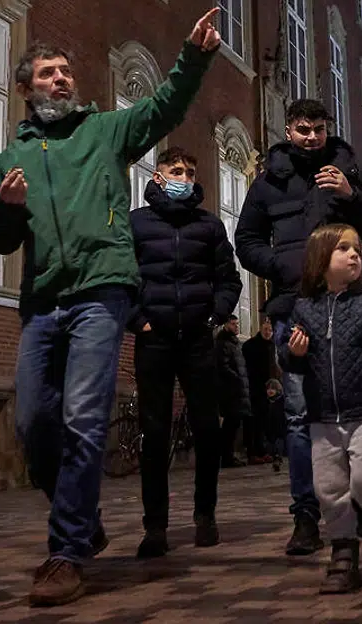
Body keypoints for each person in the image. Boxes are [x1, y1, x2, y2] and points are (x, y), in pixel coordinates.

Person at [0, 10, 220, 606]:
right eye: (48, 73)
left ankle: (65, 552)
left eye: (66, 72)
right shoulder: (13, 156)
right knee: (34, 423)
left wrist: (193, 57)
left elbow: (163, 108)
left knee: (84, 419)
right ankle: (83, 520)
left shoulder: (105, 131)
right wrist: (9, 208)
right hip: (42, 300)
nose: (61, 79)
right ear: (25, 86)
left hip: (102, 290)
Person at [233, 99, 362, 555]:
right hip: (293, 306)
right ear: (289, 129)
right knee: (299, 414)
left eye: (319, 129)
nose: (311, 137)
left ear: (328, 129)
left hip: (348, 308)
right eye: (303, 129)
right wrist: (285, 268)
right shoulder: (269, 181)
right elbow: (245, 240)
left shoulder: (347, 169)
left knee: (355, 406)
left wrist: (351, 195)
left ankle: (360, 504)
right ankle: (306, 514)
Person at [284, 224, 362, 594]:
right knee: (329, 490)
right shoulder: (304, 310)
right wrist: (293, 355)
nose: (355, 255)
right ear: (320, 260)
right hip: (322, 418)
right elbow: (293, 363)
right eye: (343, 249)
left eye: (357, 249)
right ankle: (343, 556)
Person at [127, 143, 242, 557]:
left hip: (197, 339)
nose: (184, 177)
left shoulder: (209, 227)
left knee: (207, 430)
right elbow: (122, 277)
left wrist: (214, 317)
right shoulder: (136, 224)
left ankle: (204, 515)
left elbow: (230, 280)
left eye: (190, 172)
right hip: (153, 338)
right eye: (176, 170)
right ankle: (155, 526)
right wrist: (138, 319)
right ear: (158, 176)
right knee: (154, 433)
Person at [215, 316, 252, 469]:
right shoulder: (223, 343)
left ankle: (229, 456)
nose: (237, 327)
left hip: (237, 390)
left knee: (234, 424)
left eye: (237, 323)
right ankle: (226, 457)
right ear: (225, 325)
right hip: (230, 391)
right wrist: (236, 379)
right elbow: (222, 366)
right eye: (233, 324)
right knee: (230, 425)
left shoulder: (234, 344)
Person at [242, 315, 277, 463]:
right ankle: (252, 452)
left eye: (270, 330)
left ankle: (262, 450)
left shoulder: (271, 345)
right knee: (252, 421)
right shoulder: (251, 345)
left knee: (263, 421)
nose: (268, 332)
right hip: (253, 387)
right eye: (266, 329)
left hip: (266, 388)